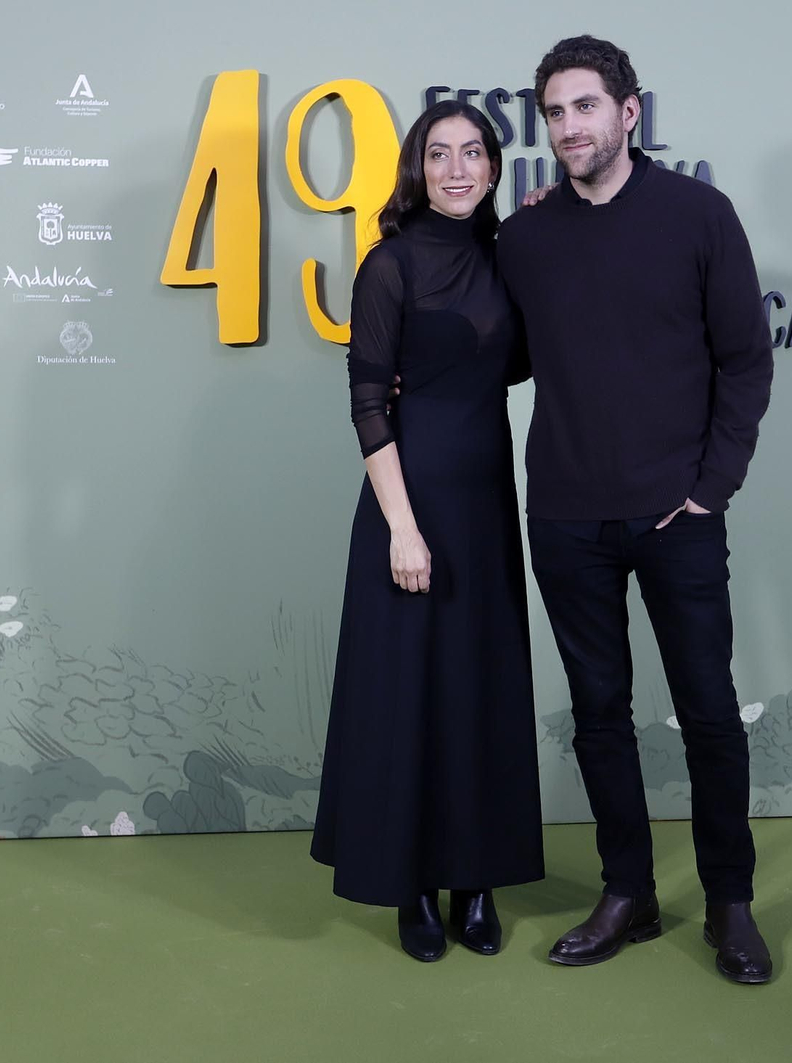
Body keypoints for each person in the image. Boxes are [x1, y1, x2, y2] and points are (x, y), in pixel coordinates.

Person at [496, 35, 776, 984]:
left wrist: (709, 489)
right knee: (598, 713)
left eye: (585, 105)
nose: (569, 125)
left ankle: (730, 902)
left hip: (679, 515)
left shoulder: (699, 215)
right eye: (554, 111)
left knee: (707, 712)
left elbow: (745, 360)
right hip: (568, 517)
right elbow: (507, 356)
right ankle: (629, 893)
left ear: (629, 112)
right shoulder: (526, 236)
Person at [310, 101, 543, 962]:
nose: (455, 169)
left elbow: (527, 357)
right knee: (406, 695)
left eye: (472, 153)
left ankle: (474, 879)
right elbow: (368, 403)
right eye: (438, 154)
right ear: (417, 168)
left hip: (485, 507)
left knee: (476, 689)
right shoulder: (390, 266)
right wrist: (403, 529)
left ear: (492, 168)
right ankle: (409, 882)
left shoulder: (506, 260)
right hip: (406, 507)